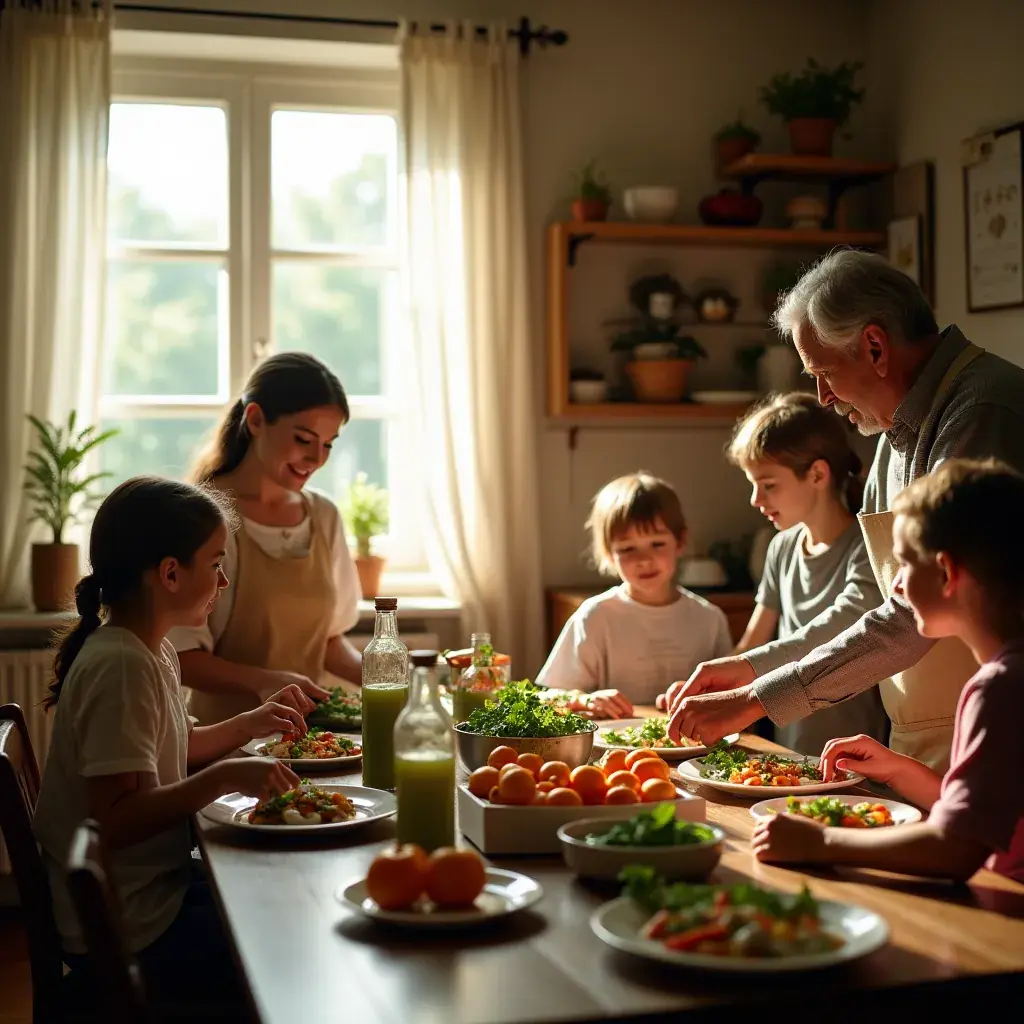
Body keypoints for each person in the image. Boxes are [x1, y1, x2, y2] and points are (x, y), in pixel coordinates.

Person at [665, 248, 1024, 772]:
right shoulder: (893, 437)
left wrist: (756, 700)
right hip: (925, 743)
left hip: (994, 742)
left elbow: (907, 617)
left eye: (824, 372)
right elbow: (870, 609)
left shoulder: (982, 413)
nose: (823, 397)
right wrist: (749, 668)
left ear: (875, 346)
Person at [34, 477, 308, 1000]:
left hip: (145, 896)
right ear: (170, 573)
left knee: (272, 899)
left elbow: (172, 749)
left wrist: (248, 724)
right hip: (125, 927)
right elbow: (115, 818)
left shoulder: (148, 649)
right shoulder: (120, 665)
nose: (223, 581)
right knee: (277, 936)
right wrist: (225, 776)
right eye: (216, 563)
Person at [753, 460, 1024, 882]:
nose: (894, 587)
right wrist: (900, 771)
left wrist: (818, 844)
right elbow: (980, 815)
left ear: (947, 573)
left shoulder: (1001, 687)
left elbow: (956, 847)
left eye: (902, 565)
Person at [173, 352, 363, 725]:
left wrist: (400, 679)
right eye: (304, 439)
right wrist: (265, 682)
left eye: (328, 444)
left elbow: (326, 643)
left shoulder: (323, 516)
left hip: (309, 740)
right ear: (256, 419)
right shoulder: (202, 517)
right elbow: (178, 656)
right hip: (223, 749)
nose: (316, 457)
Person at [714, 392, 888, 755]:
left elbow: (840, 625)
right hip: (787, 752)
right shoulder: (780, 548)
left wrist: (742, 669)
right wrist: (711, 694)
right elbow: (753, 644)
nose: (755, 499)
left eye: (769, 485)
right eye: (753, 484)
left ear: (818, 474)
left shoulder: (865, 547)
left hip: (853, 756)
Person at [536, 471, 732, 716]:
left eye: (657, 544)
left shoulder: (709, 618)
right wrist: (588, 702)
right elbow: (550, 695)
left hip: (695, 750)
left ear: (680, 542)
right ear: (608, 554)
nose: (643, 560)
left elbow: (733, 696)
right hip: (616, 750)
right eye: (627, 549)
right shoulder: (595, 616)